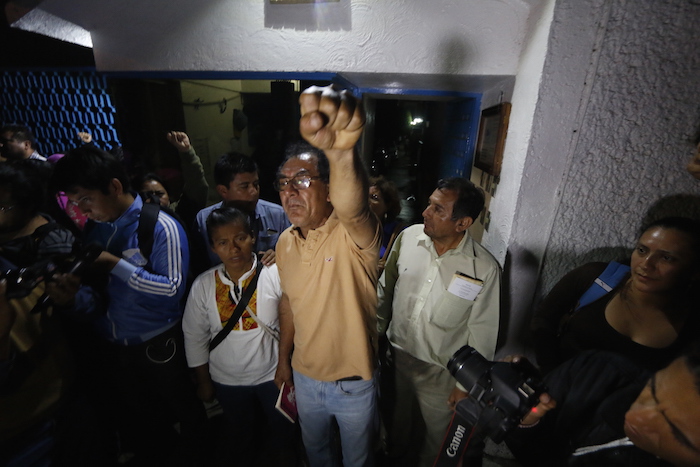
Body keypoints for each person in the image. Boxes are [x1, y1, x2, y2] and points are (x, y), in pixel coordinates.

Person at [49, 146, 208, 466]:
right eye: (73, 202)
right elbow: (97, 293)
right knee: (143, 416)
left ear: (115, 186)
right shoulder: (95, 227)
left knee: (184, 409)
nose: (80, 210)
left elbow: (172, 291)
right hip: (115, 343)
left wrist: (115, 265)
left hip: (159, 343)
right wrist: (71, 298)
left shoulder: (159, 226)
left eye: (85, 199)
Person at [273, 85, 381, 467]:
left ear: (329, 189)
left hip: (354, 385)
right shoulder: (284, 242)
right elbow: (289, 302)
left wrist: (340, 154)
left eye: (302, 180)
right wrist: (284, 360)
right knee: (316, 454)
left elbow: (354, 208)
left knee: (357, 461)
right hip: (304, 378)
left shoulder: (354, 235)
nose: (290, 192)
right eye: (284, 183)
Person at [376, 177, 501, 467]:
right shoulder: (409, 238)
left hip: (441, 376)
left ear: (463, 223)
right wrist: (373, 338)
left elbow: (483, 332)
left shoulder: (483, 268)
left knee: (435, 443)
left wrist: (465, 386)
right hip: (396, 361)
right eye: (429, 204)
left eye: (437, 209)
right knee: (394, 429)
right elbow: (385, 290)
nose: (425, 213)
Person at [182, 206, 295, 467]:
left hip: (272, 375)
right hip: (227, 380)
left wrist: (286, 365)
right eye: (223, 242)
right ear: (213, 247)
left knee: (283, 428)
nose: (233, 248)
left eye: (240, 238)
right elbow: (194, 335)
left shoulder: (274, 274)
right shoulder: (203, 285)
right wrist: (203, 381)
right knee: (238, 432)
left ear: (253, 236)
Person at [531, 216, 700, 375]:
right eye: (642, 250)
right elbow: (544, 319)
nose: (646, 264)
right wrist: (549, 377)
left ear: (694, 271)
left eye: (666, 258)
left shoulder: (691, 324)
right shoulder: (597, 278)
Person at [506, 341, 700, 466]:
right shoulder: (598, 371)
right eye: (653, 389)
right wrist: (525, 423)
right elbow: (534, 455)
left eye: (676, 432)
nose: (634, 416)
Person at [194, 151, 290, 274]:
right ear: (223, 191)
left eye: (256, 184)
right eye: (244, 186)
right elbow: (199, 265)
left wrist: (281, 257)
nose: (253, 191)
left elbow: (296, 256)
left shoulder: (278, 215)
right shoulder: (204, 219)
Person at [139, 131, 209, 232]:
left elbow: (196, 184)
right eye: (148, 195)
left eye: (159, 194)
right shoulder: (134, 225)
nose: (154, 199)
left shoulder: (180, 212)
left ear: (169, 197)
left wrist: (186, 152)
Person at [369, 175, 405, 273]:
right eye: (364, 195)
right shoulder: (348, 228)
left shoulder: (398, 233)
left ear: (388, 205)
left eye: (374, 197)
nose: (366, 201)